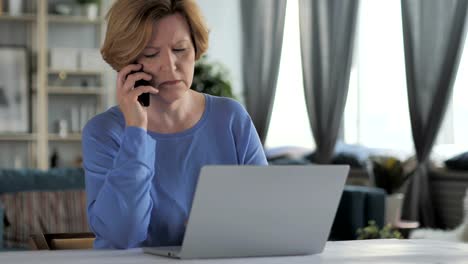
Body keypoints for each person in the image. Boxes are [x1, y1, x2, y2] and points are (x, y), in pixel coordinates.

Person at [82, 0, 267, 249]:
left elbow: (266, 217)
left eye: (180, 49)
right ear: (127, 61)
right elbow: (122, 236)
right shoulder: (103, 132)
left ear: (195, 48)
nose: (170, 66)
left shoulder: (231, 118)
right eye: (150, 54)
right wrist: (136, 129)